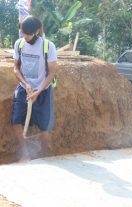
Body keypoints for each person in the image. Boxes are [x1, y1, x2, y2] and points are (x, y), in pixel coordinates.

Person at [12, 16, 58, 159]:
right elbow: (16, 68)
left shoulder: (48, 46)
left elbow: (52, 73)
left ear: (36, 31)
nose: (25, 36)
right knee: (16, 120)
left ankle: (44, 154)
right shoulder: (19, 44)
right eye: (23, 33)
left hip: (43, 90)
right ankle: (24, 151)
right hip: (24, 88)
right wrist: (26, 85)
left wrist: (38, 91)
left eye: (28, 34)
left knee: (45, 126)